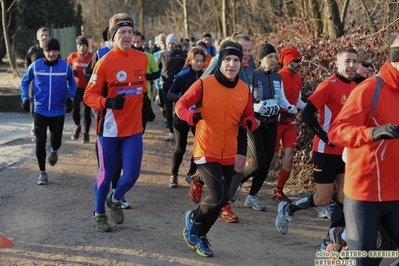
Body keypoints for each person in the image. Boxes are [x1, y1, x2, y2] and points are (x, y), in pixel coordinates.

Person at [176, 43, 257, 257]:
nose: (232, 64)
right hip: (206, 148)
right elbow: (181, 105)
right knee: (219, 196)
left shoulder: (244, 90)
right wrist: (190, 116)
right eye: (227, 60)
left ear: (241, 64)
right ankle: (193, 219)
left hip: (229, 150)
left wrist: (250, 122)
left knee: (223, 199)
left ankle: (200, 235)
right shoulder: (204, 84)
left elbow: (248, 115)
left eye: (236, 61)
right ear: (220, 62)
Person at [275, 47, 358, 251]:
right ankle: (288, 208)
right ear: (337, 64)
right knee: (323, 198)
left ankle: (330, 241)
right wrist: (325, 136)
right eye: (347, 61)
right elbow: (306, 115)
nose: (351, 65)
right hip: (325, 150)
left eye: (355, 61)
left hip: (346, 151)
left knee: (344, 197)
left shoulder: (358, 86)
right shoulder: (328, 85)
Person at [328, 36, 399, 265]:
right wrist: (372, 134)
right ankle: (339, 244)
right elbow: (337, 131)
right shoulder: (370, 89)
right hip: (365, 196)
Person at [83, 13, 148, 233]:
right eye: (122, 32)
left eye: (130, 32)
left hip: (133, 129)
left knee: (131, 175)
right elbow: (88, 96)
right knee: (106, 174)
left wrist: (145, 104)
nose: (127, 36)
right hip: (109, 129)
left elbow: (141, 87)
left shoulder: (142, 58)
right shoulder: (104, 62)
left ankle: (116, 198)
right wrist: (107, 102)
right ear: (113, 37)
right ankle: (99, 213)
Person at [189, 35, 256, 223]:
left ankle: (224, 203)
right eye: (242, 50)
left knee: (240, 164)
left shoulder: (251, 67)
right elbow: (203, 87)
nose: (245, 55)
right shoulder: (219, 64)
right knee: (228, 168)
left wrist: (250, 115)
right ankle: (218, 199)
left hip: (239, 122)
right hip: (215, 126)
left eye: (248, 51)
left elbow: (250, 93)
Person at [238, 43, 298, 211]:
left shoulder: (278, 77)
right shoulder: (253, 76)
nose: (274, 60)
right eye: (270, 57)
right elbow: (248, 99)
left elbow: (281, 99)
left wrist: (290, 107)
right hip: (255, 123)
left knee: (266, 163)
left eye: (275, 57)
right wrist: (258, 107)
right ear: (261, 58)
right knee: (258, 162)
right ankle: (236, 183)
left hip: (272, 123)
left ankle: (252, 196)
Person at [109, 30, 159, 209]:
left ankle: (118, 192)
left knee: (131, 162)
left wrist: (142, 79)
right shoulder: (105, 58)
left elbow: (156, 74)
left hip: (141, 103)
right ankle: (113, 194)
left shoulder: (146, 57)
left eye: (136, 38)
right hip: (114, 114)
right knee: (116, 160)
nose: (133, 41)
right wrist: (106, 103)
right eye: (125, 34)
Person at [20, 38, 77, 185]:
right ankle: (42, 172)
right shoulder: (36, 66)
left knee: (56, 141)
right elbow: (25, 81)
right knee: (40, 142)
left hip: (58, 110)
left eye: (54, 50)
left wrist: (70, 98)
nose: (51, 54)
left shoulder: (65, 67)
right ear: (43, 52)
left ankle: (54, 150)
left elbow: (73, 83)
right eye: (48, 51)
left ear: (59, 51)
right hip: (40, 109)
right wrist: (25, 98)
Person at [270, 47, 306, 202]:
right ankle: (245, 176)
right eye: (296, 61)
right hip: (277, 121)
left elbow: (297, 101)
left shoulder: (298, 78)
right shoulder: (278, 77)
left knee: (289, 156)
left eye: (300, 60)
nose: (299, 63)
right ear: (287, 61)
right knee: (271, 158)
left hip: (290, 122)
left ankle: (279, 190)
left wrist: (313, 107)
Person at [167, 48, 205, 188]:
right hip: (182, 115)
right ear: (190, 61)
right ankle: (174, 175)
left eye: (201, 61)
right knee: (180, 148)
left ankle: (190, 174)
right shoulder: (183, 75)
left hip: (198, 117)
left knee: (199, 147)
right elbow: (170, 93)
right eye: (196, 61)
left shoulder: (206, 76)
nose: (199, 63)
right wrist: (182, 99)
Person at [157, 34, 186, 141]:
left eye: (172, 43)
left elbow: (186, 67)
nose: (170, 45)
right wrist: (157, 80)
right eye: (169, 43)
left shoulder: (181, 54)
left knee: (179, 108)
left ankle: (180, 130)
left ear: (176, 43)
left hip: (178, 85)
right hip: (166, 85)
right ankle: (171, 132)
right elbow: (157, 69)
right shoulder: (162, 54)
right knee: (168, 109)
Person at [25, 27, 51, 137]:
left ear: (49, 36)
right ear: (38, 37)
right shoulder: (33, 51)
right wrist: (28, 75)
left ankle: (44, 126)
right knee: (33, 105)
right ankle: (35, 123)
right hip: (34, 84)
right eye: (42, 35)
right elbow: (26, 62)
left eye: (46, 35)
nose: (44, 37)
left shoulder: (52, 50)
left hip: (48, 84)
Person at [67, 36, 93, 143]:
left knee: (86, 112)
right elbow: (66, 67)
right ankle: (78, 127)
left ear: (87, 46)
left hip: (88, 88)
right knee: (75, 110)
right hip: (76, 87)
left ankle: (86, 133)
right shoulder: (72, 56)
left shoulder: (92, 57)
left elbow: (98, 69)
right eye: (79, 45)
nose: (82, 48)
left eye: (84, 45)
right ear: (77, 46)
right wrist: (71, 73)